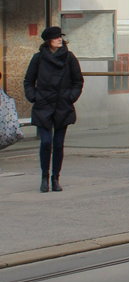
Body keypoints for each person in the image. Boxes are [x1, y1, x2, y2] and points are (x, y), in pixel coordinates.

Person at [23, 26, 83, 193]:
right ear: (48, 41)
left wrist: (70, 96)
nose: (59, 39)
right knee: (46, 142)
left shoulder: (69, 57)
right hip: (43, 104)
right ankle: (44, 177)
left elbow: (78, 81)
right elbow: (28, 81)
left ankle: (55, 178)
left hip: (62, 105)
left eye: (60, 37)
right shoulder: (38, 58)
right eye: (56, 37)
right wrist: (34, 96)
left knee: (58, 144)